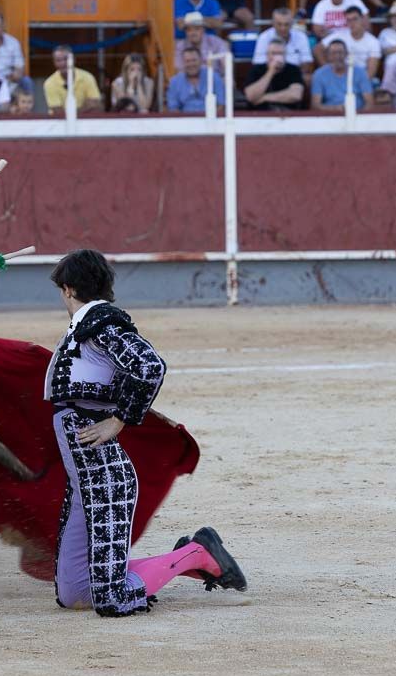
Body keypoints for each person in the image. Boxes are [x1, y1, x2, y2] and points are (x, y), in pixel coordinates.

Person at [45, 248, 247, 618]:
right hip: (83, 478)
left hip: (105, 475)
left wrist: (120, 418)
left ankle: (196, 553)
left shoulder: (100, 325)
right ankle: (185, 556)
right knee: (74, 593)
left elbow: (149, 365)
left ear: (69, 289)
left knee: (110, 598)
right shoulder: (90, 326)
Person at [251, 7, 314, 81]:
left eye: (286, 24)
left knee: (309, 78)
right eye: (279, 24)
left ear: (292, 23)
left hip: (294, 75)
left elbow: (306, 62)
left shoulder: (301, 37)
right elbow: (258, 63)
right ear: (273, 23)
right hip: (271, 75)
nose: (283, 28)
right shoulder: (263, 37)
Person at [319, 6, 381, 80]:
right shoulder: (339, 35)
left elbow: (371, 72)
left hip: (361, 79)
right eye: (348, 20)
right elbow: (317, 49)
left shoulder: (373, 42)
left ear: (362, 19)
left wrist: (358, 85)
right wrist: (328, 69)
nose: (352, 23)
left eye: (355, 19)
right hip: (339, 76)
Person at [244, 37, 305, 110]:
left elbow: (295, 95)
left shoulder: (293, 70)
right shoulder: (256, 70)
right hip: (259, 115)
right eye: (273, 53)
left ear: (285, 55)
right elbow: (251, 96)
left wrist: (265, 97)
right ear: (267, 55)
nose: (277, 57)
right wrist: (270, 72)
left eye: (280, 54)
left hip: (287, 114)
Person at [311, 39, 373, 110]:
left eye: (340, 52)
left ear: (346, 54)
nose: (337, 56)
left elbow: (369, 103)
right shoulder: (319, 74)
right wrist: (335, 109)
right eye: (333, 53)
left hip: (358, 114)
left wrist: (360, 117)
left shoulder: (360, 72)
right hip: (330, 116)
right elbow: (315, 105)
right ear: (328, 56)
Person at [43, 45, 102, 114]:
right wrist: (85, 108)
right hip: (58, 123)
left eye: (66, 59)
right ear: (54, 63)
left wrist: (73, 114)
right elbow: (58, 112)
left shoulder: (87, 77)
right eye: (58, 60)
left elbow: (95, 103)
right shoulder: (49, 83)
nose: (63, 63)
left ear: (73, 59)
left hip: (86, 121)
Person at [166, 46, 223, 113]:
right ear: (183, 63)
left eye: (194, 60)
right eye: (187, 61)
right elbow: (173, 108)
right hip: (184, 121)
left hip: (211, 120)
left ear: (201, 61)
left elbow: (221, 105)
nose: (191, 64)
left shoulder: (213, 77)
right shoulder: (174, 82)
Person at [176, 11, 229, 76]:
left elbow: (226, 65)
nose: (193, 33)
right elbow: (179, 69)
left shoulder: (216, 42)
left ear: (203, 30)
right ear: (185, 32)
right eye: (189, 30)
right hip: (190, 82)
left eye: (197, 29)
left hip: (215, 81)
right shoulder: (180, 46)